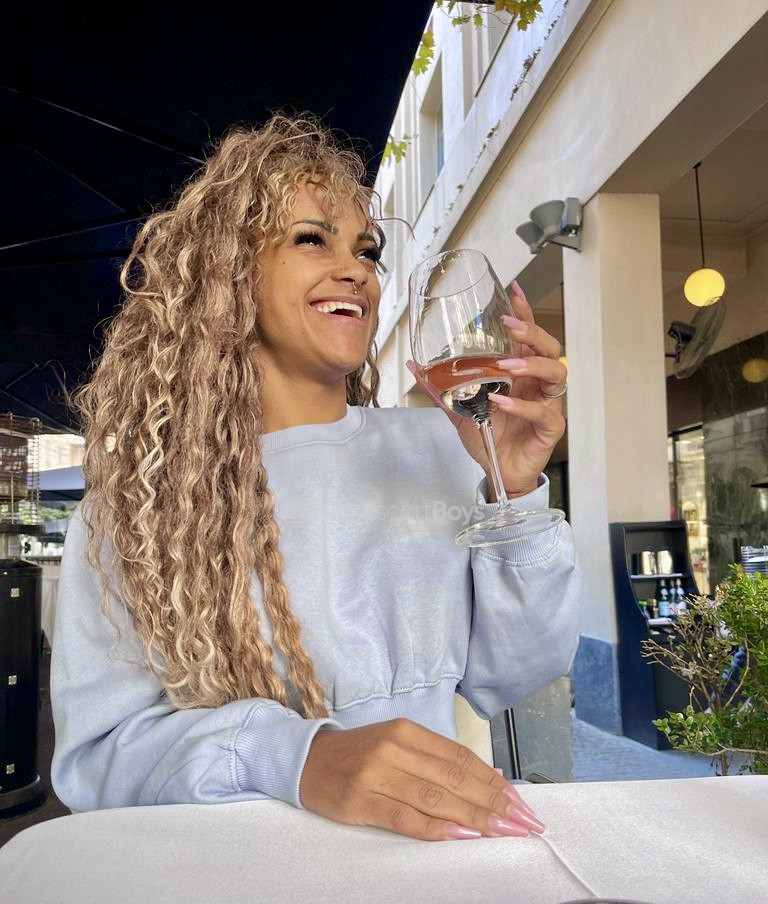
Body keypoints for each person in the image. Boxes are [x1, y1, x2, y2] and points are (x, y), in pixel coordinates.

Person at [51, 113, 580, 841]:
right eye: (311, 239)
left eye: (367, 250)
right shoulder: (138, 506)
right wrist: (299, 758)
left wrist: (513, 490)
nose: (356, 269)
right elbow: (98, 760)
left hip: (438, 852)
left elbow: (513, 673)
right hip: (241, 870)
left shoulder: (440, 448)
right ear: (228, 273)